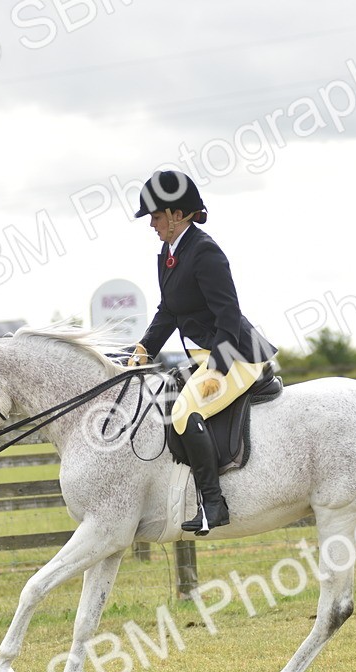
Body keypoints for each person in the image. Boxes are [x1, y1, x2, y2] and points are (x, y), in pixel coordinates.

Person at [126, 170, 278, 535]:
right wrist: (144, 349)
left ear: (178, 215)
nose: (152, 224)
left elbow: (228, 313)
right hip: (203, 355)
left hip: (239, 354)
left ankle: (214, 504)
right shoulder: (168, 253)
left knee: (184, 410)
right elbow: (169, 310)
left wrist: (219, 370)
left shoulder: (205, 252)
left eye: (157, 216)